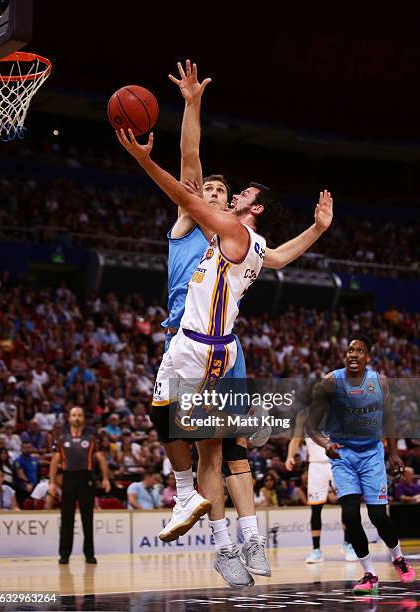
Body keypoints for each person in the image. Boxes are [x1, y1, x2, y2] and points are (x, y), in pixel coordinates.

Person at [118, 60, 333, 589]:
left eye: (228, 193)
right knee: (209, 443)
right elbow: (193, 172)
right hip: (201, 339)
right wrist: (191, 104)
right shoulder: (199, 224)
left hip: (206, 345)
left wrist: (144, 159)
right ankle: (227, 530)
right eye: (214, 190)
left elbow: (190, 185)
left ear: (246, 207)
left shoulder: (227, 230)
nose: (219, 193)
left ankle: (226, 517)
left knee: (222, 450)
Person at [307, 333, 416, 593]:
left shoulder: (379, 382)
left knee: (378, 516)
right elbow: (311, 424)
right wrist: (325, 445)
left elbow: (389, 418)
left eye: (359, 350)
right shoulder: (332, 382)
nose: (352, 354)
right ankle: (369, 573)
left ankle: (398, 557)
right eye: (349, 350)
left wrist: (393, 453)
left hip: (372, 455)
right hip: (343, 457)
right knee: (350, 515)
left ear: (367, 357)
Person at [286, 405, 357, 563]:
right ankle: (316, 550)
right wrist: (290, 456)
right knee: (316, 508)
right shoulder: (303, 414)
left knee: (346, 503)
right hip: (316, 465)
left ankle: (348, 544)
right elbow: (296, 439)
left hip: (338, 461)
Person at [49, 406, 111, 565]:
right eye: (74, 415)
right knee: (66, 518)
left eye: (79, 415)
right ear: (69, 418)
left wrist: (105, 478)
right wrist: (52, 483)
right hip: (68, 477)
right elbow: (55, 461)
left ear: (83, 418)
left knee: (87, 517)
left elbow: (102, 459)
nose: (76, 418)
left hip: (86, 477)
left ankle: (89, 554)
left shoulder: (91, 438)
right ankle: (64, 554)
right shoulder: (62, 437)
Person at [13, 441, 39, 506]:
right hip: (23, 485)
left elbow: (40, 463)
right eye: (25, 448)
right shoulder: (18, 460)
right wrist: (28, 484)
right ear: (21, 449)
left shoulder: (33, 458)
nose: (27, 450)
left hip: (34, 484)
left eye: (29, 448)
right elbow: (20, 474)